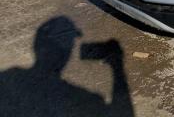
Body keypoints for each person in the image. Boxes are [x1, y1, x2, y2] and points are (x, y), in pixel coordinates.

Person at [0, 16, 133, 116]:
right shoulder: (86, 99)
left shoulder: (9, 78)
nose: (71, 48)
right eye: (68, 44)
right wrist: (117, 67)